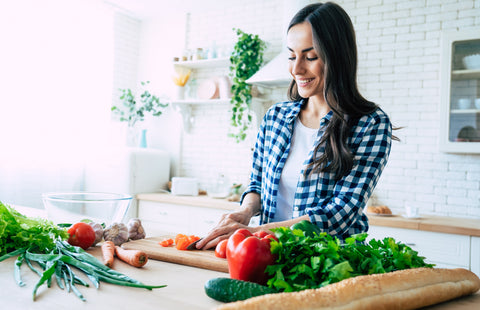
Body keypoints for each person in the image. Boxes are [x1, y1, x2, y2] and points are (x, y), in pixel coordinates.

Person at [196, 2, 394, 250]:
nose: (296, 68)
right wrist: (246, 211)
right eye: (291, 55)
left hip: (329, 263)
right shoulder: (275, 117)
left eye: (310, 57)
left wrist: (256, 232)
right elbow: (257, 183)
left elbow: (340, 213)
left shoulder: (370, 124)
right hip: (265, 255)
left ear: (338, 57)